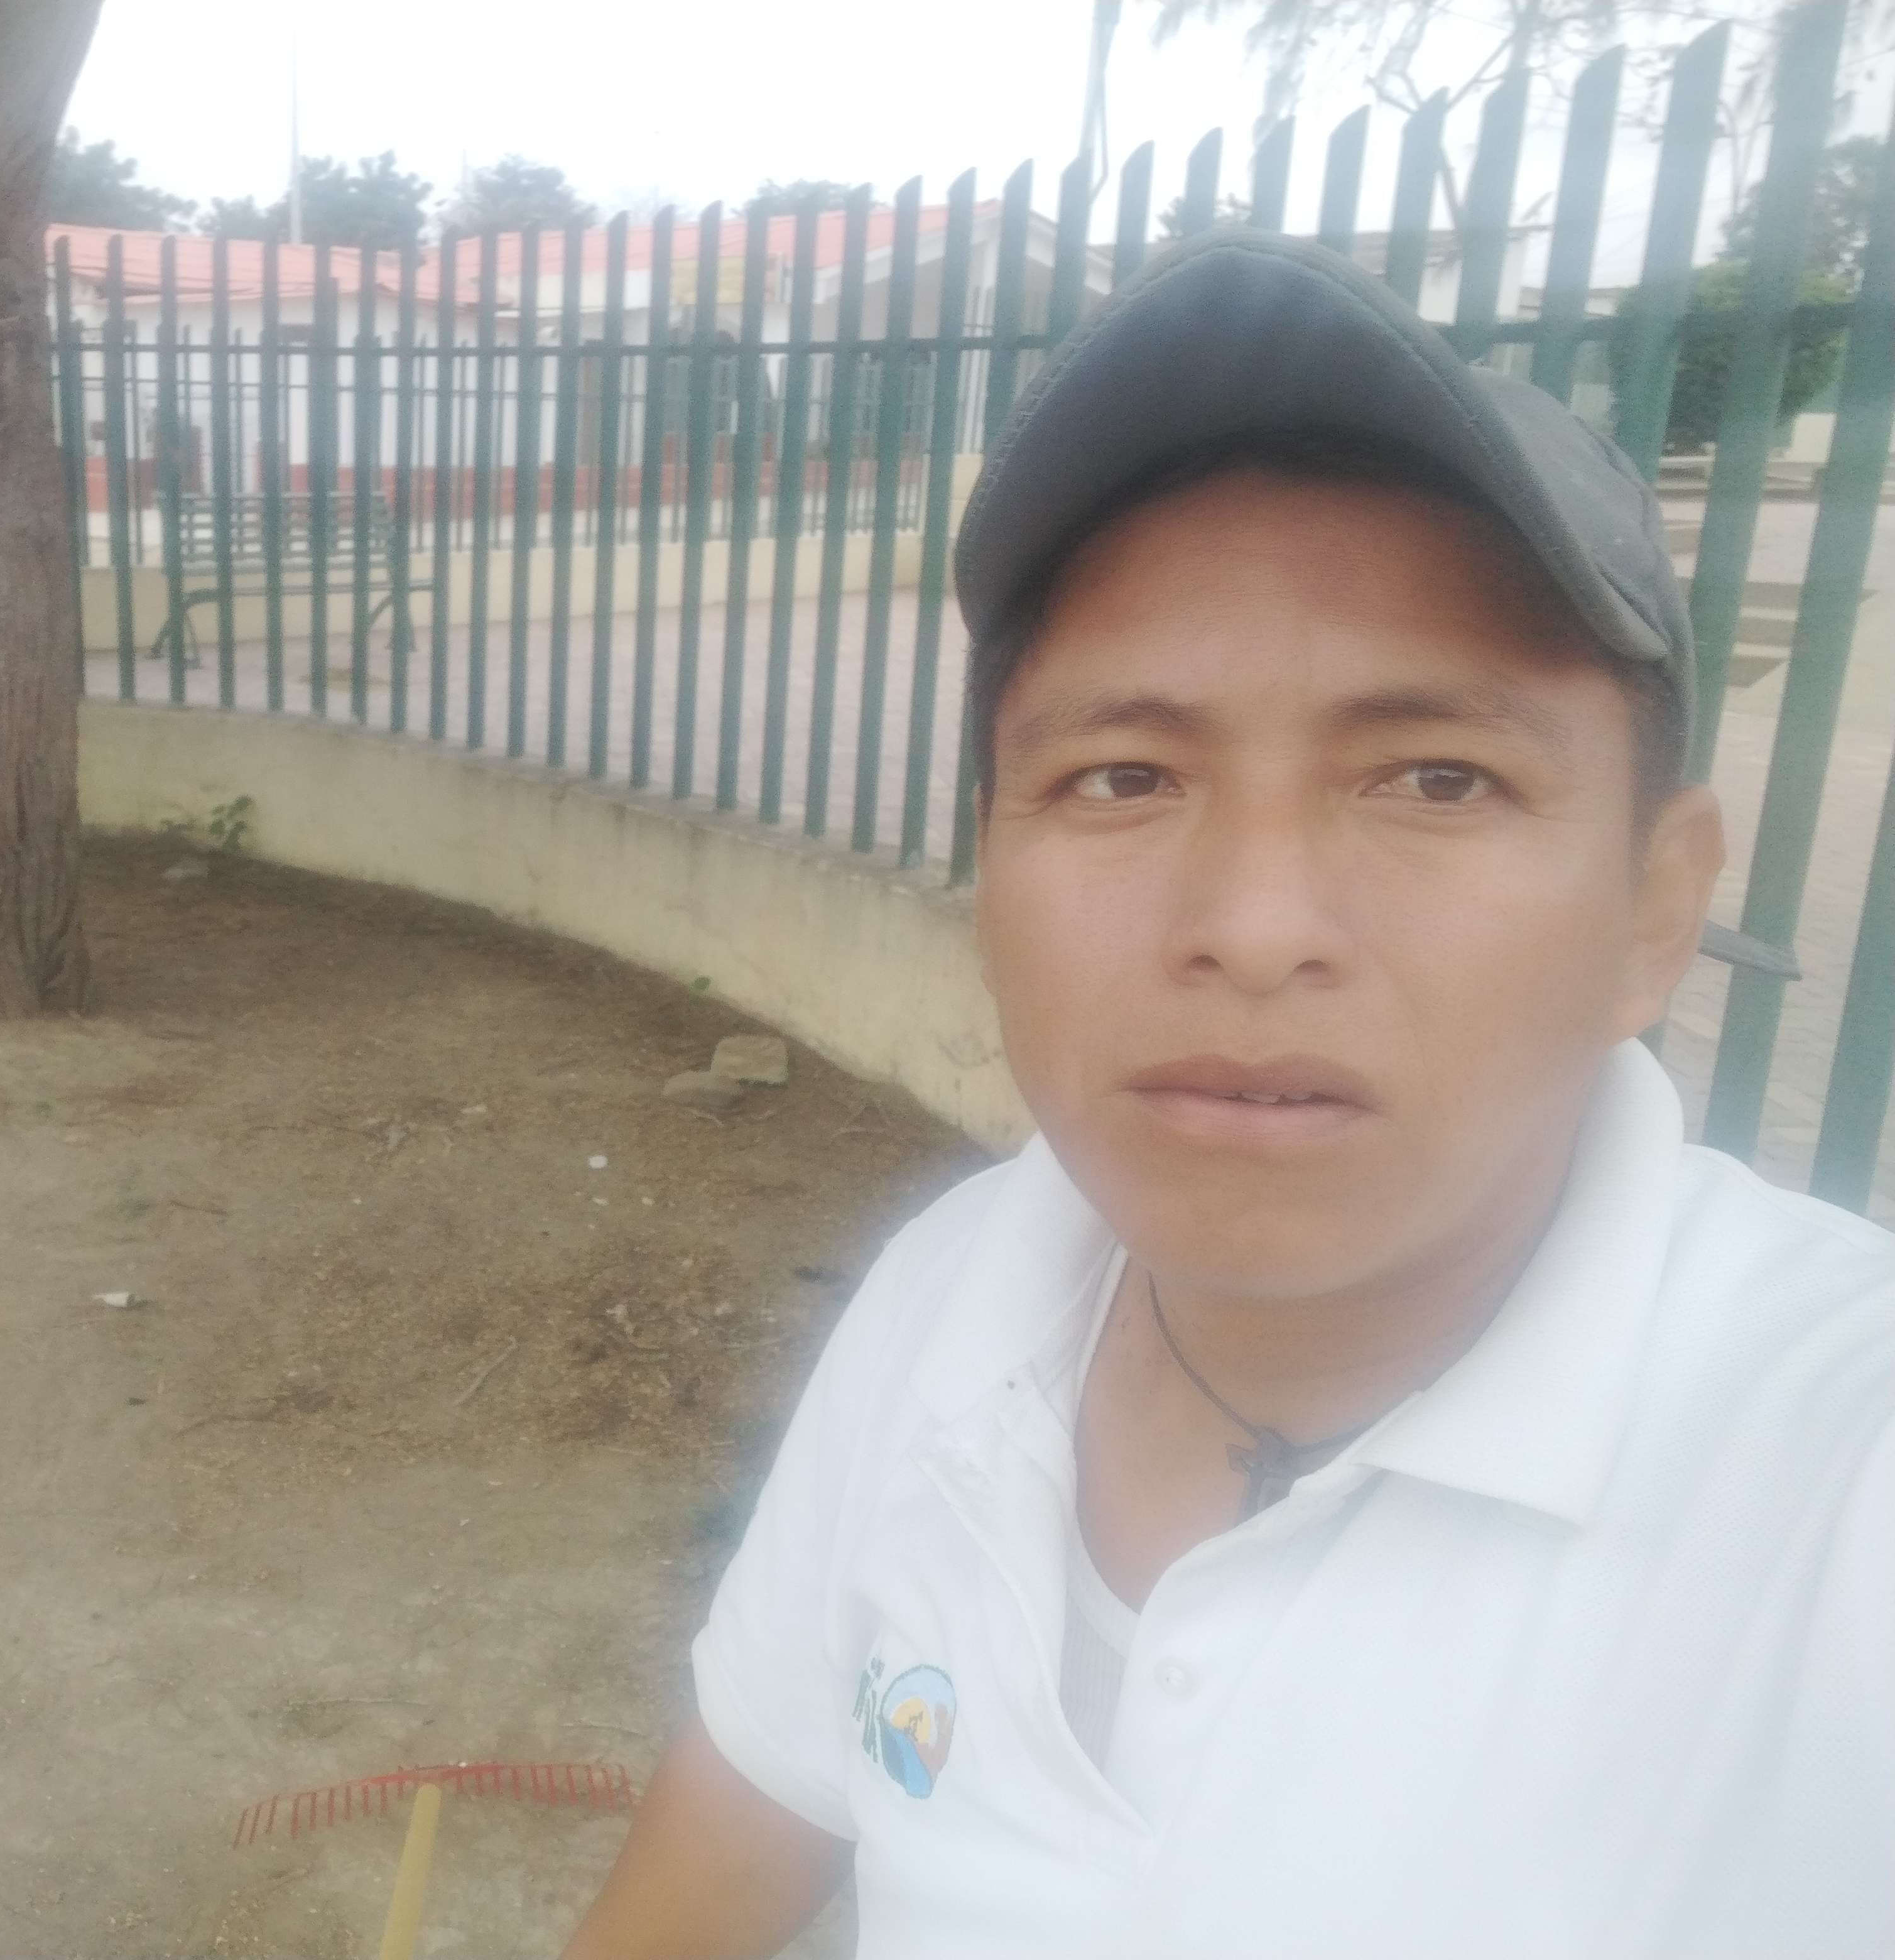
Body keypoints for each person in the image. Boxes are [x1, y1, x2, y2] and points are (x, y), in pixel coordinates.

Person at [561, 231, 1892, 1960]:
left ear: (1655, 909)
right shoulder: (953, 1299)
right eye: (1123, 776)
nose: (1255, 928)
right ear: (989, 874)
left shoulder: (1838, 1480)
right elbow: (716, 1869)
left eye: (1437, 778)